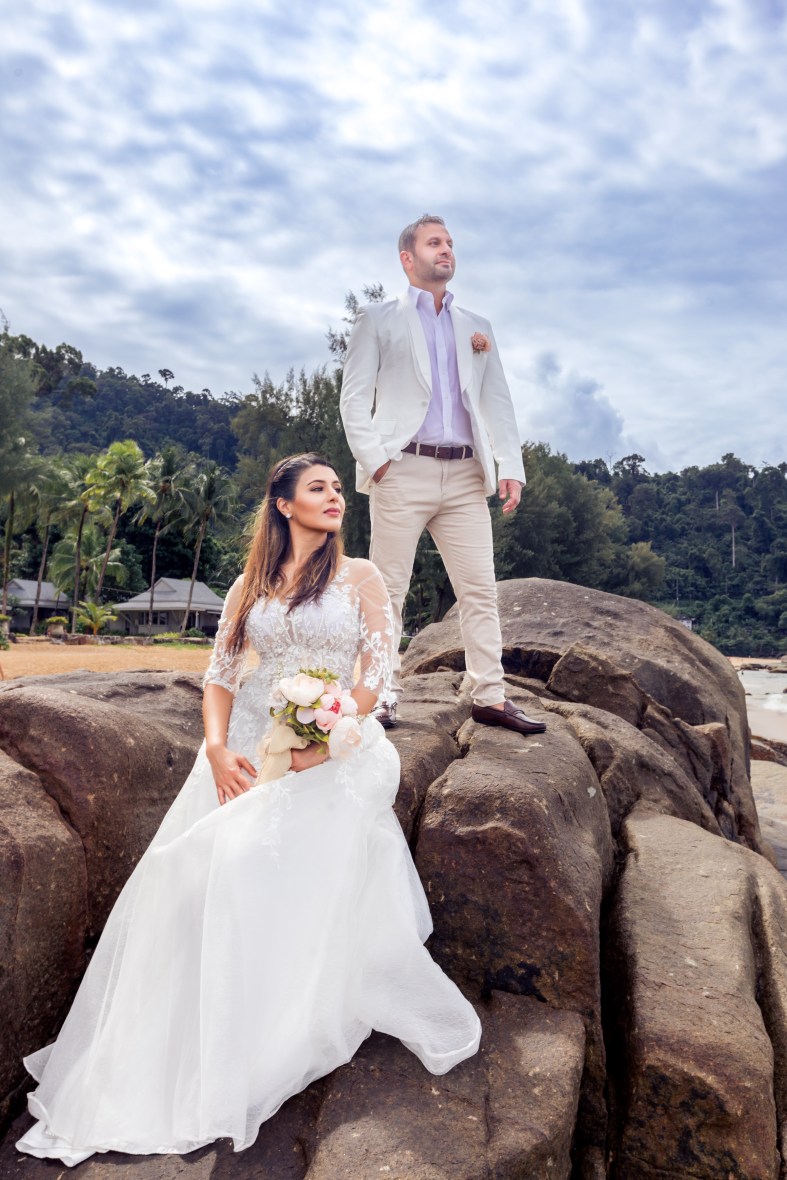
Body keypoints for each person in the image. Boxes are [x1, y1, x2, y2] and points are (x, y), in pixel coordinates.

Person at [16, 452, 481, 1167]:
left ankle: (271, 1034)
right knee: (191, 875)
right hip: (248, 749)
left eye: (336, 489)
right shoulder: (248, 584)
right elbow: (220, 676)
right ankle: (181, 1041)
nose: (335, 499)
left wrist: (323, 736)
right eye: (318, 489)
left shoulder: (361, 579)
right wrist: (214, 749)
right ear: (283, 504)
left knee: (245, 859)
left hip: (342, 748)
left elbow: (376, 678)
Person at [340, 214, 546, 736]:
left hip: (463, 476)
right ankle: (382, 693)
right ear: (407, 258)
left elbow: (497, 401)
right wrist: (377, 460)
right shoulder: (377, 320)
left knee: (479, 589)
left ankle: (490, 696)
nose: (446, 250)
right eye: (435, 243)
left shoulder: (478, 327)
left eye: (450, 242)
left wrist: (510, 466)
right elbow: (353, 400)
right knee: (388, 588)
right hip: (402, 468)